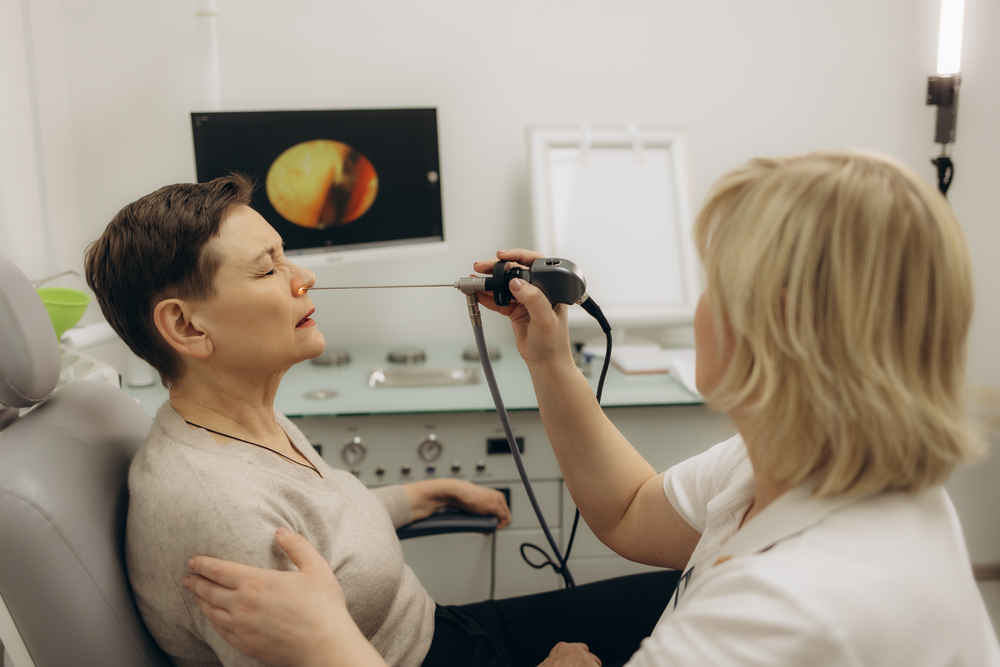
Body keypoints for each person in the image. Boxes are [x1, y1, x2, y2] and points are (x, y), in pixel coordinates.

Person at [183, 151, 1000, 666]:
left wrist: (329, 647)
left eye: (717, 284)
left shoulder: (788, 613)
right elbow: (634, 510)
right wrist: (548, 356)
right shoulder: (804, 456)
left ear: (777, 329)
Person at [85, 174, 677, 667]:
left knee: (688, 589)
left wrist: (413, 497)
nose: (303, 278)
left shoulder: (241, 419)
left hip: (440, 635)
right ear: (186, 327)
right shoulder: (215, 509)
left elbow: (312, 531)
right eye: (267, 271)